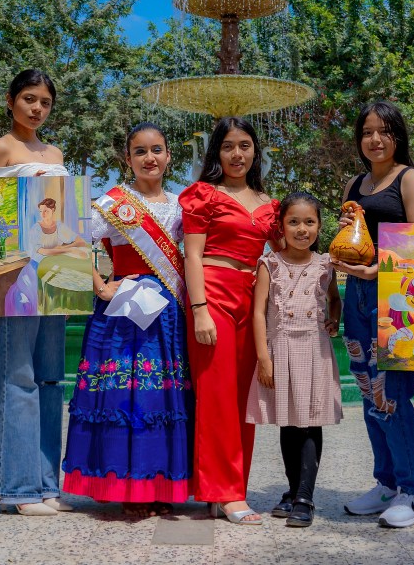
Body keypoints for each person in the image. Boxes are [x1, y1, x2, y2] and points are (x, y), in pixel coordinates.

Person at [62, 122, 193, 516]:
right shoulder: (114, 203)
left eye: (157, 150)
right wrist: (101, 285)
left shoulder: (180, 205)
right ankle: (126, 489)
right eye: (140, 151)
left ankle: (160, 485)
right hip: (124, 315)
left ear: (169, 156)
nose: (149, 158)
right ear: (128, 159)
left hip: (167, 314)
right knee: (125, 396)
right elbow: (71, 237)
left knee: (161, 397)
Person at [0, 68, 74, 516]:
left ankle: (47, 483)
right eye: (29, 99)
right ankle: (16, 489)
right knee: (18, 378)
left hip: (57, 273)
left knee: (51, 378)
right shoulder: (0, 148)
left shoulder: (53, 151)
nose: (37, 108)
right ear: (11, 100)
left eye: (45, 102)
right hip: (13, 274)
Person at [334, 100, 414, 529]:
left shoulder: (410, 180)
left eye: (384, 131)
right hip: (355, 292)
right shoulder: (354, 185)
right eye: (367, 132)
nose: (375, 139)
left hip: (395, 297)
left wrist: (379, 270)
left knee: (393, 396)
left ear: (398, 136)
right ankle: (386, 483)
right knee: (369, 394)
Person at [179, 116, 279, 525]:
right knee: (217, 398)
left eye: (245, 146)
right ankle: (226, 492)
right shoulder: (204, 195)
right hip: (213, 297)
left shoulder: (269, 203)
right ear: (216, 153)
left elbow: (290, 248)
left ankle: (228, 486)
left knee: (244, 401)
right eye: (228, 146)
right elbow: (193, 255)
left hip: (251, 303)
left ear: (256, 151)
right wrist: (200, 308)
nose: (237, 154)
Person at [246, 191, 343, 528]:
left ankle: (305, 496)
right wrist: (264, 357)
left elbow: (334, 299)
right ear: (282, 226)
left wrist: (335, 319)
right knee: (288, 422)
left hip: (315, 351)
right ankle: (291, 491)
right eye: (294, 222)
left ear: (319, 226)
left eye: (310, 222)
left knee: (310, 420)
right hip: (280, 349)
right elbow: (259, 313)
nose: (303, 229)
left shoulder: (326, 264)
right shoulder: (269, 264)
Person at [5, 196, 86, 315]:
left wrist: (63, 248)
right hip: (36, 268)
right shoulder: (36, 228)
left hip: (55, 268)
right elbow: (42, 251)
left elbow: (81, 242)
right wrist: (67, 250)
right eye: (41, 211)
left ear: (53, 210)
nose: (43, 214)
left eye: (46, 211)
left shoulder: (59, 226)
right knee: (33, 301)